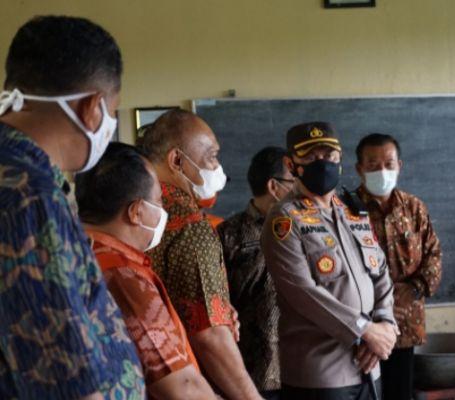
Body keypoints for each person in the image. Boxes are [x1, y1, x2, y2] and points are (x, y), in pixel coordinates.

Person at [0, 16, 145, 399]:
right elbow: (62, 372)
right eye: (113, 111)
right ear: (93, 108)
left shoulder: (20, 170)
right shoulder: (28, 194)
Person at [261, 121, 398, 400]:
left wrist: (385, 323)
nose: (322, 162)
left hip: (369, 366)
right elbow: (302, 292)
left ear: (340, 158)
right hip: (321, 372)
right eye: (311, 156)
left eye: (328, 155)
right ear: (291, 164)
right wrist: (365, 331)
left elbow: (380, 271)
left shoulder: (352, 209)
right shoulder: (284, 219)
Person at [75, 142, 218, 400]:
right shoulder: (121, 275)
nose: (163, 211)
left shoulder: (73, 251)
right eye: (159, 201)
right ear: (136, 212)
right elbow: (183, 387)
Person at [139, 109, 262, 400]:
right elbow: (209, 335)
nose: (218, 168)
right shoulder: (190, 227)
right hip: (187, 384)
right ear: (177, 161)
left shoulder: (136, 213)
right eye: (211, 157)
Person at [354, 133, 442, 400]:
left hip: (405, 325)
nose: (382, 171)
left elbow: (433, 256)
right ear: (359, 169)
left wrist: (413, 290)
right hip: (362, 330)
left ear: (399, 166)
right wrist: (381, 306)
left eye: (389, 164)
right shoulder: (345, 209)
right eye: (373, 165)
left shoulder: (414, 208)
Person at [218, 146, 294, 400]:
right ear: (274, 186)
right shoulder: (229, 234)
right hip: (254, 374)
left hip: (306, 367)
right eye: (294, 180)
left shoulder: (304, 228)